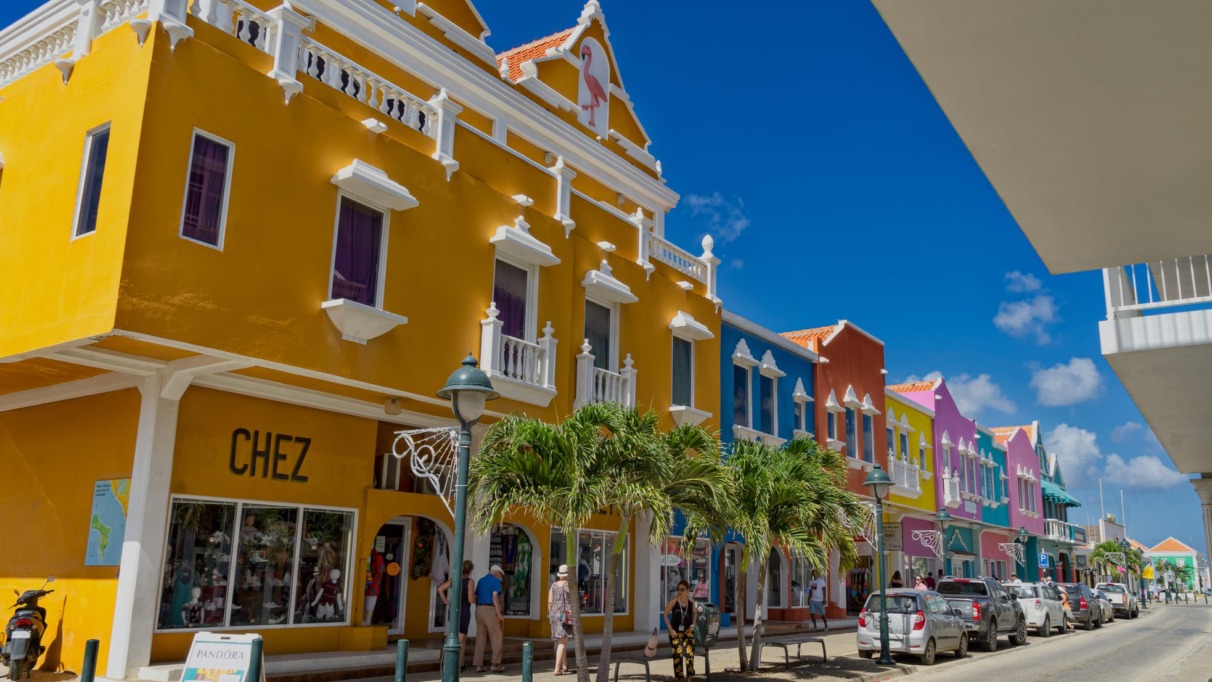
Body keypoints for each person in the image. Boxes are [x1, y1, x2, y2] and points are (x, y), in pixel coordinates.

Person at [438, 560, 475, 672]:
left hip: (453, 609)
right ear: (470, 570)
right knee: (460, 638)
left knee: (457, 636)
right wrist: (475, 598)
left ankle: (461, 663)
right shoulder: (470, 582)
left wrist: (446, 601)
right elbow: (470, 599)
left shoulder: (454, 580)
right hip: (463, 609)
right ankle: (454, 664)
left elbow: (440, 589)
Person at [473, 565, 506, 672]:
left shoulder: (481, 581)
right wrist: (499, 613)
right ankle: (495, 664)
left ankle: (478, 665)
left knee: (480, 638)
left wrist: (478, 608)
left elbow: (476, 596)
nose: (501, 577)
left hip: (479, 609)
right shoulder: (495, 581)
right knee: (497, 637)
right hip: (490, 610)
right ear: (497, 573)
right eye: (500, 574)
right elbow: (495, 597)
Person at [663, 580, 698, 682]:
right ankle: (678, 678)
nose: (679, 591)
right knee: (678, 653)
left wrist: (693, 624)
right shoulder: (674, 601)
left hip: (688, 632)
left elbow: (695, 613)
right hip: (675, 633)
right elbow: (665, 615)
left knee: (690, 652)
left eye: (682, 589)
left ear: (687, 590)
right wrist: (670, 629)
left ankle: (689, 677)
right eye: (678, 589)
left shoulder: (691, 601)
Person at [548, 564, 573, 675]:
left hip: (554, 614)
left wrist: (550, 614)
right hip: (565, 614)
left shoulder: (553, 585)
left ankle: (564, 665)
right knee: (562, 642)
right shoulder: (569, 585)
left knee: (561, 641)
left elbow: (550, 602)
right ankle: (557, 669)